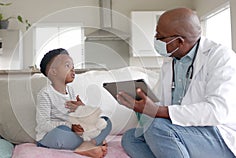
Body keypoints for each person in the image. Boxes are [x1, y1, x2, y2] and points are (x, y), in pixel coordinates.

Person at [118, 7, 236, 158]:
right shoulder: (171, 60)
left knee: (156, 128)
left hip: (218, 135)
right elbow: (162, 101)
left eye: (160, 37)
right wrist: (141, 102)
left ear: (179, 41)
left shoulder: (221, 57)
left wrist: (159, 111)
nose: (155, 39)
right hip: (181, 130)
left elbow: (217, 111)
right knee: (131, 138)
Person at [35, 48, 112, 158]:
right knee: (62, 131)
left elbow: (78, 118)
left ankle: (86, 145)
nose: (73, 70)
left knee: (106, 121)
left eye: (73, 67)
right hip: (52, 136)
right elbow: (43, 125)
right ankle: (93, 141)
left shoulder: (71, 91)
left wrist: (82, 109)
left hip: (74, 133)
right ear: (53, 71)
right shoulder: (45, 94)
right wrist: (70, 126)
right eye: (67, 66)